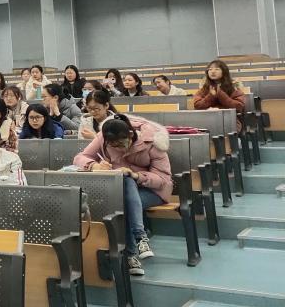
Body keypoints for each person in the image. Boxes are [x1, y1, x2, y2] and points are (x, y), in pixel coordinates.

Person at [73, 116, 171, 276]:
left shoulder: (153, 142)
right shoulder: (104, 137)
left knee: (125, 188)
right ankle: (140, 239)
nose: (117, 148)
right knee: (124, 190)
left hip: (153, 190)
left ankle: (131, 255)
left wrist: (136, 175)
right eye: (112, 145)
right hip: (122, 191)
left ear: (130, 135)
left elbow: (162, 179)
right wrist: (95, 165)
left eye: (120, 144)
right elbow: (80, 158)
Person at [193, 59, 246, 131]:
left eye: (217, 69)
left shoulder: (234, 87)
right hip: (207, 119)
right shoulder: (204, 88)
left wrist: (220, 94)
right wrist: (211, 96)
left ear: (224, 71)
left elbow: (239, 106)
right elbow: (197, 105)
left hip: (229, 120)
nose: (213, 71)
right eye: (210, 69)